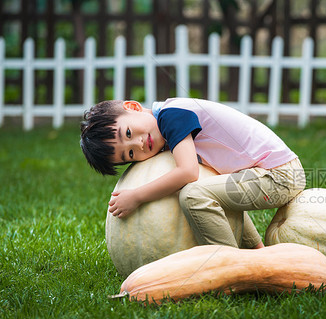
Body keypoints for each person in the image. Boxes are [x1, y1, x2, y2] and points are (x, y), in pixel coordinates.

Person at [80, 98, 306, 249]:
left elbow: (188, 172)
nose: (138, 144)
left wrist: (137, 196)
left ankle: (230, 266)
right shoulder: (165, 127)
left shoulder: (171, 116)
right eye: (129, 154)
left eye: (128, 133)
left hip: (279, 176)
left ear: (134, 107)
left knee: (193, 195)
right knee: (212, 189)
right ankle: (258, 253)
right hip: (267, 173)